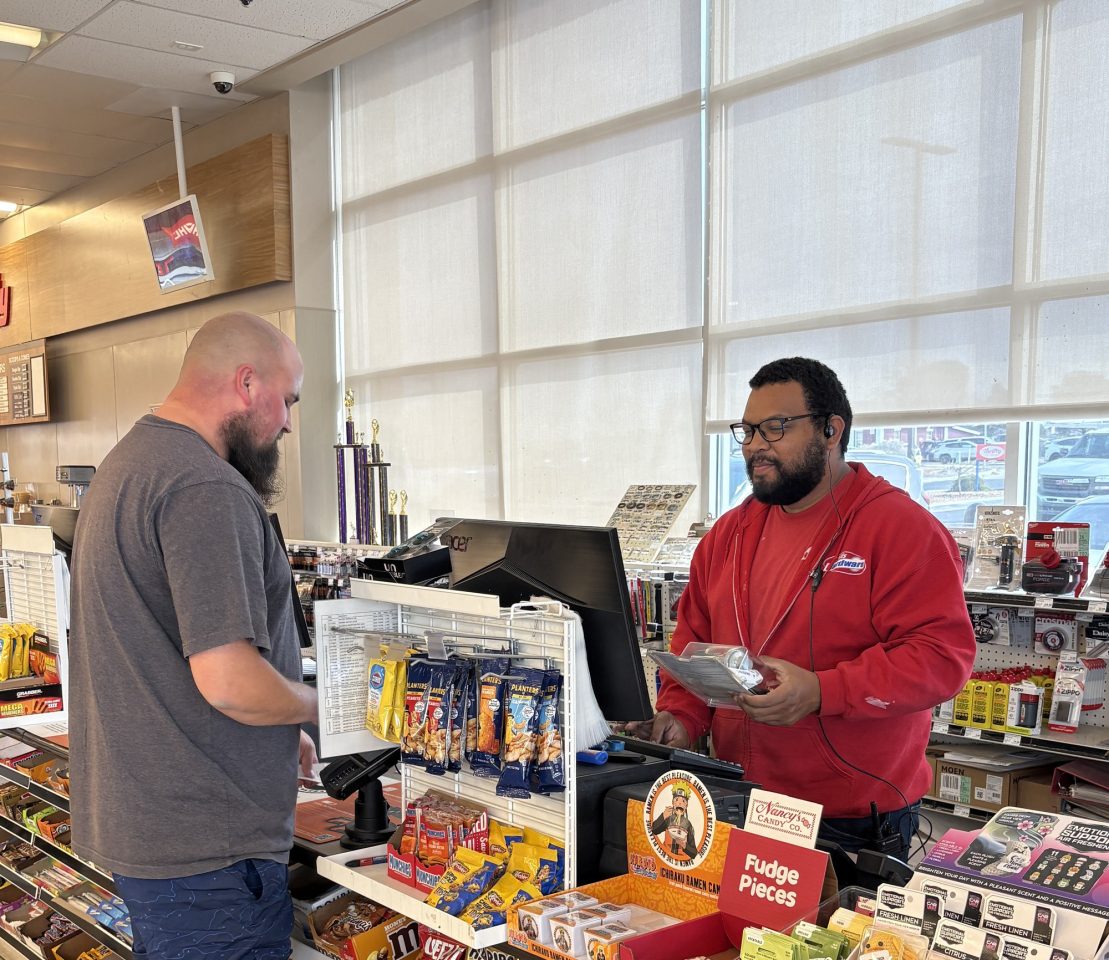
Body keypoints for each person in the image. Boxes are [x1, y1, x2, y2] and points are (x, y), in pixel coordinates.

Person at [627, 357, 975, 858]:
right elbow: (692, 646)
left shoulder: (901, 529)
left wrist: (821, 691)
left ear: (832, 430)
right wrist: (681, 718)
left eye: (775, 427)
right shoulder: (729, 533)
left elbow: (940, 658)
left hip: (849, 820)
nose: (755, 445)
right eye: (748, 431)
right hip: (739, 797)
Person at [69, 312, 319, 960]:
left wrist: (277, 727)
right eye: (288, 400)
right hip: (210, 851)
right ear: (246, 383)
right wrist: (323, 708)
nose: (288, 424)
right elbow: (228, 681)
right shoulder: (204, 486)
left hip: (157, 831)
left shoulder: (131, 463)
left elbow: (157, 648)